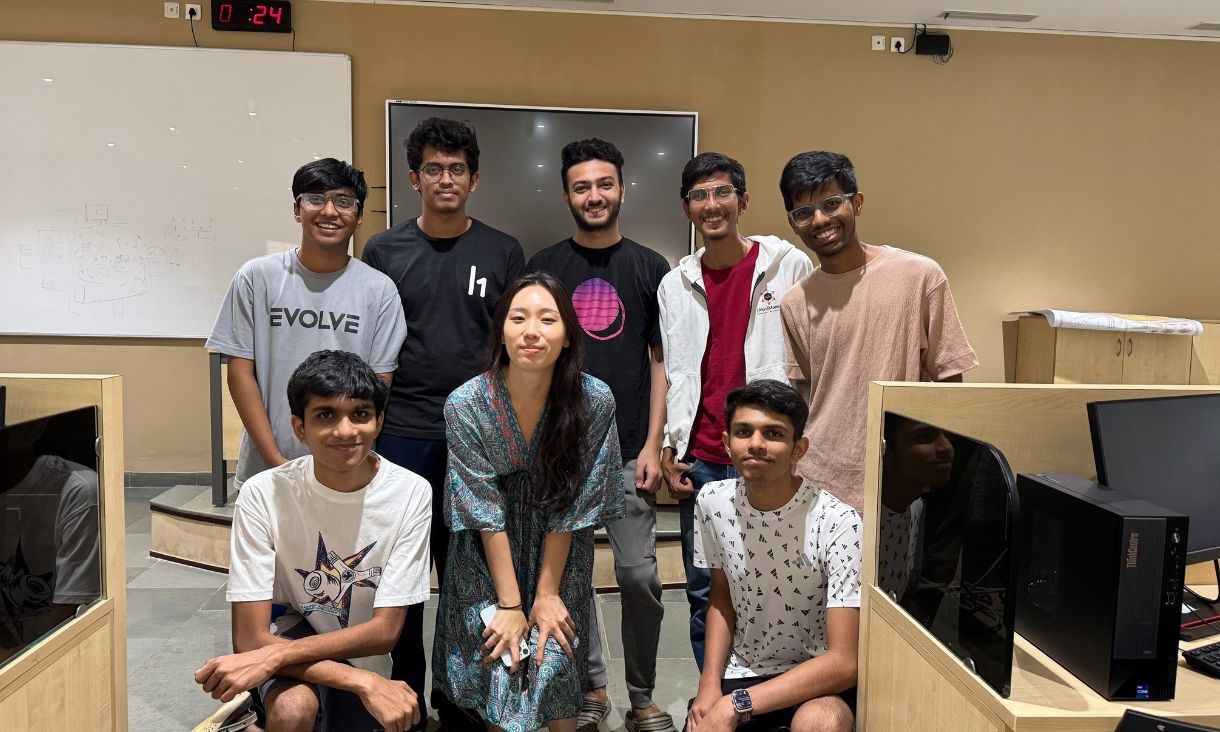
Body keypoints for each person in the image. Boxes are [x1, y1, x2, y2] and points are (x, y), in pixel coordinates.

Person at [362, 117, 525, 726]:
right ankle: (405, 695)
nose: (446, 178)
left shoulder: (503, 250)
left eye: (457, 169)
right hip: (404, 430)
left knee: (473, 575)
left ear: (474, 179)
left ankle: (461, 701)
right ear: (414, 178)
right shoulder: (384, 251)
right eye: (434, 168)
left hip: (481, 435)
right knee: (402, 573)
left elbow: (514, 344)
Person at [194, 350, 432, 732]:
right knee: (292, 710)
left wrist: (274, 657)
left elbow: (385, 631)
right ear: (300, 427)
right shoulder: (263, 493)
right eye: (325, 415)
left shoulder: (410, 492)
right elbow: (249, 639)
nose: (345, 431)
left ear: (379, 421)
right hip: (291, 633)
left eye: (360, 413)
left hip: (357, 651)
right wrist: (360, 681)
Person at [432, 272, 625, 732]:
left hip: (557, 553)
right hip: (485, 558)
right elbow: (483, 510)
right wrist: (509, 604)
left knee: (553, 660)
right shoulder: (466, 403)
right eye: (518, 318)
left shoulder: (593, 401)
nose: (532, 331)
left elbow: (575, 506)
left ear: (568, 336)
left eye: (547, 319)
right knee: (504, 660)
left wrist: (547, 594)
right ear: (501, 331)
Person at [526, 138, 675, 732]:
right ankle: (590, 687)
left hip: (629, 451)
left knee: (639, 575)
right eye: (582, 186)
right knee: (570, 577)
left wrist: (653, 444)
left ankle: (642, 696)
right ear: (567, 196)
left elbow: (661, 361)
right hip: (559, 453)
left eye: (604, 184)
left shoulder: (650, 267)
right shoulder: (543, 268)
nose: (594, 195)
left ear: (622, 190)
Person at [657, 152, 813, 670]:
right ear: (687, 209)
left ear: (743, 201)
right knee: (705, 589)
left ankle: (771, 695)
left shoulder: (786, 266)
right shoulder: (675, 284)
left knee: (780, 585)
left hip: (770, 454)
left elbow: (810, 357)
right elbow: (677, 371)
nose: (712, 204)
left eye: (722, 192)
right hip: (702, 458)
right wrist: (671, 445)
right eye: (699, 196)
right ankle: (713, 694)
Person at [778, 150, 978, 515]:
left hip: (895, 482)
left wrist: (928, 469)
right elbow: (808, 393)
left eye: (831, 204)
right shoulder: (794, 302)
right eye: (804, 212)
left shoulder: (920, 276)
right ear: (793, 223)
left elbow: (950, 380)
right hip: (819, 477)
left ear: (856, 203)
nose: (819, 220)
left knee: (892, 556)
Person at [206, 157, 407, 491]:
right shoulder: (256, 278)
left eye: (343, 201)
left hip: (347, 473)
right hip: (266, 472)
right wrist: (276, 463)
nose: (329, 211)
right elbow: (240, 374)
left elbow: (378, 385)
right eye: (315, 198)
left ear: (358, 217)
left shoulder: (379, 290)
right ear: (297, 209)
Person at [688, 380, 860, 732]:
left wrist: (735, 705)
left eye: (774, 433)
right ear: (727, 443)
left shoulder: (839, 522)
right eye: (744, 431)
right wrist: (708, 684)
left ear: (799, 449)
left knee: (822, 722)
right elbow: (721, 598)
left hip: (818, 676)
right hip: (744, 670)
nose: (756, 444)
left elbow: (844, 662)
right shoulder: (712, 501)